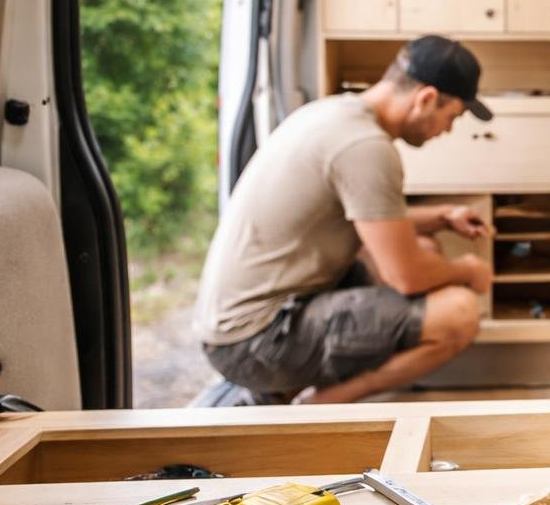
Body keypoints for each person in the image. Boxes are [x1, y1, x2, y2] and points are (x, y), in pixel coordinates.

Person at [194, 35, 496, 404]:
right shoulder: (366, 147)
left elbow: (370, 220)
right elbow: (408, 276)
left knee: (424, 246)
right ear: (427, 98)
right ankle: (314, 408)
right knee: (459, 313)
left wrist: (442, 216)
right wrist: (467, 269)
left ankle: (284, 392)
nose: (447, 130)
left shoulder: (333, 115)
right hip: (258, 340)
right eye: (452, 118)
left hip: (237, 325)